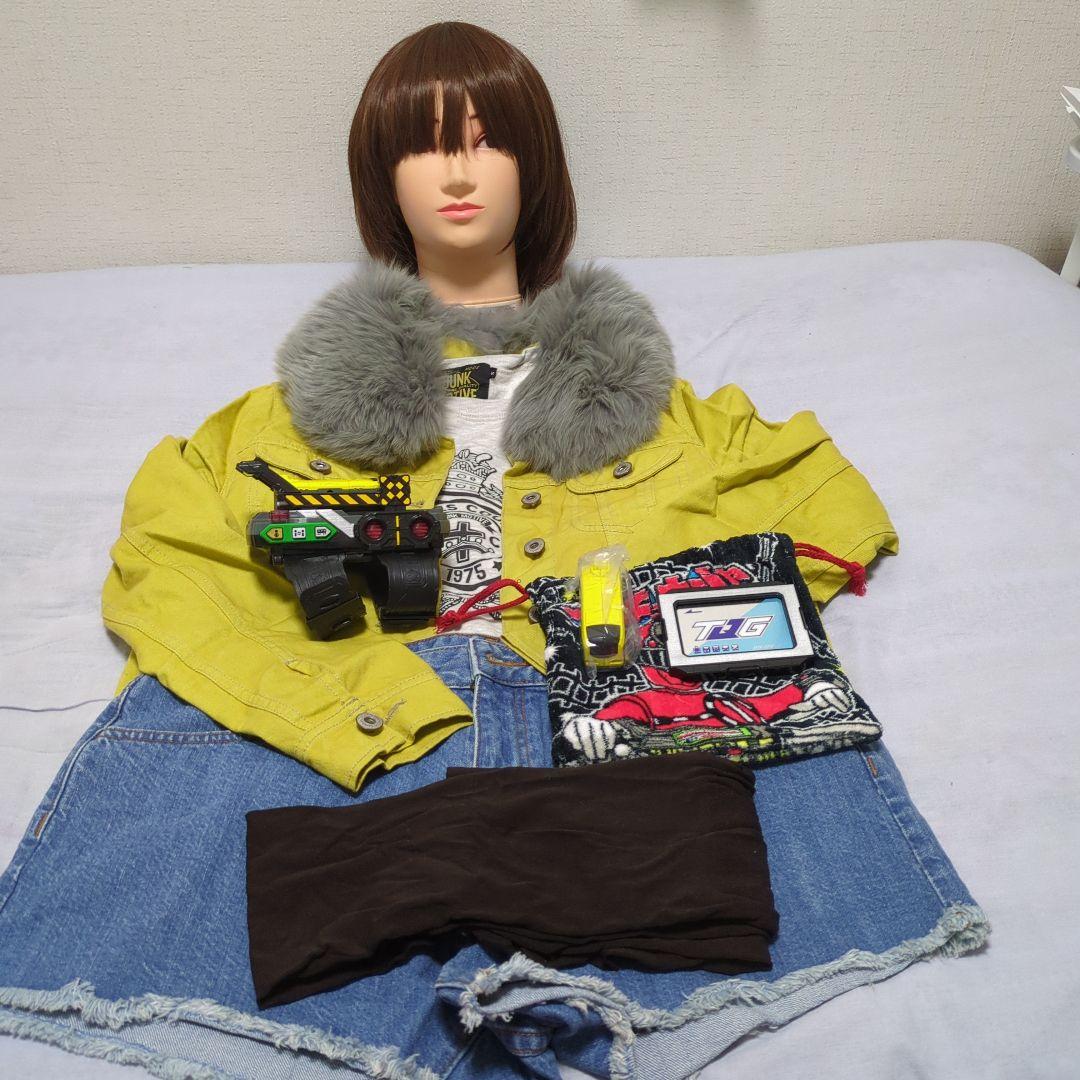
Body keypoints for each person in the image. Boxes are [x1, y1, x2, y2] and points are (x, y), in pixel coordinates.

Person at [0, 21, 985, 1080]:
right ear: (381, 175)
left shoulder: (667, 412)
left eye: (488, 138)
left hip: (627, 760)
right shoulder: (272, 423)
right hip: (330, 762)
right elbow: (165, 556)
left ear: (537, 163)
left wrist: (691, 642)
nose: (460, 172)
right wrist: (343, 702)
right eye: (425, 144)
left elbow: (829, 503)